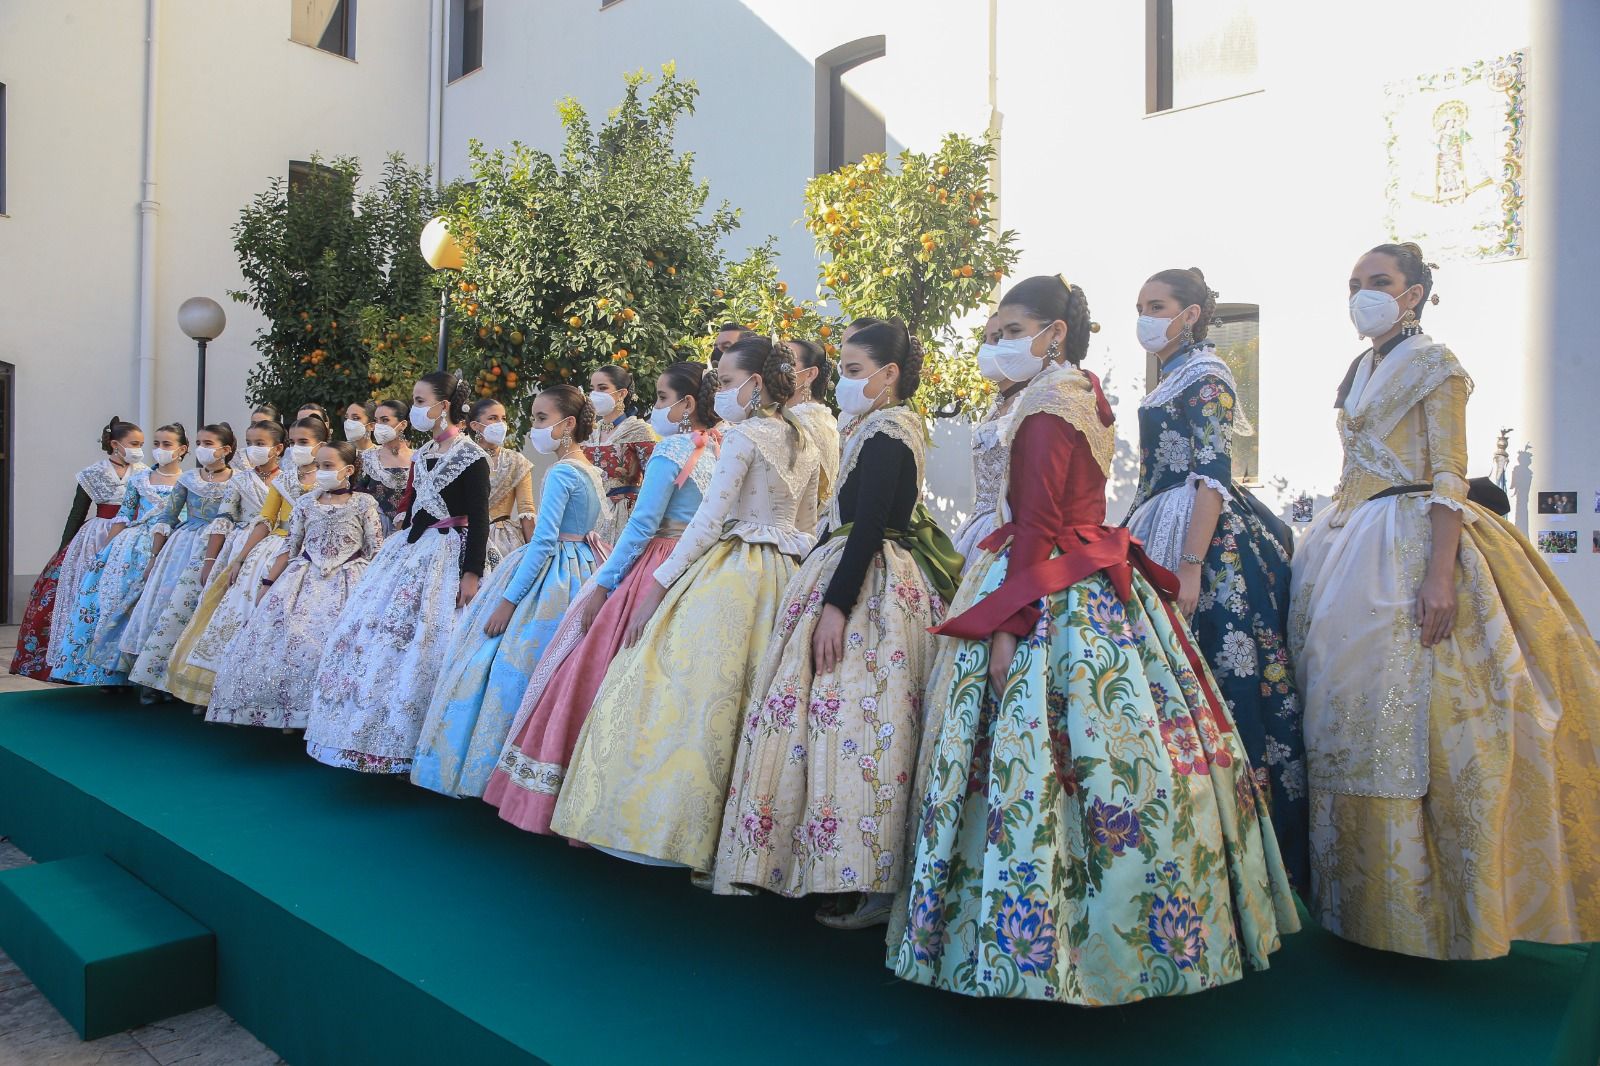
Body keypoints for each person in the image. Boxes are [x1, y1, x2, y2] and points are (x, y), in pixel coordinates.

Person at [889, 275, 1297, 1004]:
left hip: (1044, 580)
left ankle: (1044, 943)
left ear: (1053, 333)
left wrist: (1010, 625)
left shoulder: (1049, 406)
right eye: (992, 331)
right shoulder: (1074, 392)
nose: (995, 343)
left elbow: (1040, 525)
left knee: (1033, 758)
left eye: (1011, 329)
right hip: (1087, 577)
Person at [1292, 242, 1600, 959]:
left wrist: (1439, 574)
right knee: (1343, 714)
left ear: (1416, 293)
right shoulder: (1360, 368)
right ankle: (1359, 909)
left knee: (1428, 718)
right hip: (1346, 545)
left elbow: (1448, 476)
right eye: (1355, 282)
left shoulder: (1439, 366)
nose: (1364, 294)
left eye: (1380, 282)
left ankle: (1431, 917)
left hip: (1406, 543)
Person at [712, 320, 962, 931]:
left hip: (869, 585)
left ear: (889, 374)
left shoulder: (890, 431)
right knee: (833, 719)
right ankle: (817, 863)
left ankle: (866, 876)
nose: (843, 383)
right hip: (851, 570)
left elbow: (870, 525)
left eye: (853, 372)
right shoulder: (872, 427)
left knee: (862, 721)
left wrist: (835, 605)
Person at [551, 336, 820, 873]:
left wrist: (657, 589)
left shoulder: (744, 437)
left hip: (734, 574)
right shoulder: (807, 439)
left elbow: (705, 525)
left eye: (722, 383)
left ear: (757, 383)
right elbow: (810, 523)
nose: (716, 392)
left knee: (684, 697)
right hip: (788, 575)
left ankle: (675, 832)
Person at [1123, 267, 1307, 888]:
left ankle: (1245, 862)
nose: (1145, 316)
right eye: (1141, 305)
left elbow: (1211, 475)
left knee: (1223, 684)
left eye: (1157, 305)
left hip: (1201, 538)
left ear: (1192, 313)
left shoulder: (1207, 374)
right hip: (1156, 521)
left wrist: (1191, 565)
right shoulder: (1175, 372)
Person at [485, 362, 722, 834]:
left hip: (655, 560)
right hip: (707, 567)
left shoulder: (673, 448)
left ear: (687, 404)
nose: (654, 407)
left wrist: (606, 585)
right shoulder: (727, 448)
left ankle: (581, 800)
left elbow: (640, 526)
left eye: (658, 397)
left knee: (592, 670)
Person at [412, 387, 604, 798]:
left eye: (539, 418)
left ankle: (492, 774)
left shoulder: (563, 472)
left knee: (501, 666)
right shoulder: (592, 470)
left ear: (568, 424)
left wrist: (507, 601)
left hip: (550, 577)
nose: (533, 427)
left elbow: (543, 543)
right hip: (584, 569)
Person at [304, 370, 490, 774]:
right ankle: (364, 735)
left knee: (435, 638)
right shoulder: (422, 456)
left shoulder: (472, 456)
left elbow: (479, 518)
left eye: (422, 401)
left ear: (444, 406)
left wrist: (472, 573)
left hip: (450, 553)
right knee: (378, 634)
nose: (418, 407)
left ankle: (427, 742)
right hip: (411, 552)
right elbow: (415, 509)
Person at [208, 441, 383, 729]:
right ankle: (289, 712)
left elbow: (375, 548)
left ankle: (329, 716)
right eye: (319, 466)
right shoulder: (305, 503)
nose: (321, 472)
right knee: (291, 637)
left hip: (350, 579)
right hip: (304, 578)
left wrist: (377, 591)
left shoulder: (363, 504)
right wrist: (268, 582)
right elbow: (290, 546)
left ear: (348, 470)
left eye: (328, 466)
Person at [163, 419, 287, 706]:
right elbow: (224, 518)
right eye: (250, 442)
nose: (253, 448)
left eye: (260, 443)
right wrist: (211, 559)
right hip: (241, 546)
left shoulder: (289, 479)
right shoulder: (241, 479)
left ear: (278, 448)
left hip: (279, 547)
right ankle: (206, 690)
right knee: (221, 611)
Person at [10, 418, 145, 680]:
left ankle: (118, 668)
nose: (139, 449)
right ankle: (69, 664)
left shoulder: (144, 473)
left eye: (141, 444)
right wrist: (63, 551)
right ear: (116, 445)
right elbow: (77, 512)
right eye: (134, 444)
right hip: (96, 536)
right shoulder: (93, 473)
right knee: (79, 593)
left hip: (133, 536)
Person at [53, 424, 188, 684]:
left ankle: (154, 678)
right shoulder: (140, 480)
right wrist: (107, 551)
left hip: (173, 546)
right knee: (112, 603)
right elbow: (125, 515)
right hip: (131, 547)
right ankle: (108, 674)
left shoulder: (188, 481)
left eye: (166, 444)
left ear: (182, 449)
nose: (159, 449)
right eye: (156, 444)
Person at [125, 424, 242, 697]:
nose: (202, 447)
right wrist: (154, 557)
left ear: (225, 449)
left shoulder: (239, 480)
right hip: (185, 546)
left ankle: (197, 681)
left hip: (224, 544)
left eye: (209, 442)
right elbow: (167, 516)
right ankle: (157, 678)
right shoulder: (188, 479)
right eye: (199, 442)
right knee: (171, 606)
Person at [951, 314, 1026, 567]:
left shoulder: (1028, 403)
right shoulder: (997, 406)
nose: (987, 347)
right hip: (977, 526)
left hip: (1009, 529)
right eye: (985, 339)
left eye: (997, 338)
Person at [583, 365, 657, 544]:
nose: (595, 395)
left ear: (622, 394)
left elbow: (654, 479)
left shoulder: (638, 430)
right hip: (590, 515)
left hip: (625, 515)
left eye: (602, 388)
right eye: (592, 389)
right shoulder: (589, 432)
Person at [469, 398, 537, 562]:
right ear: (475, 425)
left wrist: (535, 555)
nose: (500, 424)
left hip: (503, 541)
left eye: (503, 418)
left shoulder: (516, 461)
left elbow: (526, 510)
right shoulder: (462, 457)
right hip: (467, 535)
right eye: (493, 418)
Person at [783, 338, 839, 532]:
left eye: (787, 363)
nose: (775, 370)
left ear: (810, 374)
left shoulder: (797, 421)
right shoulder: (822, 416)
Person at [357, 399, 414, 534]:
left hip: (411, 529)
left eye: (385, 420)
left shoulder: (419, 457)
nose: (379, 426)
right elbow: (356, 498)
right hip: (376, 531)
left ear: (403, 424)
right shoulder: (367, 458)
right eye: (376, 421)